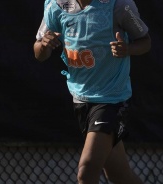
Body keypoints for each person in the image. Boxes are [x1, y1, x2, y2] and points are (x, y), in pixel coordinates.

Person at [33, 0, 151, 183]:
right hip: (80, 100)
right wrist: (44, 45)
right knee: (119, 175)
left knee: (86, 170)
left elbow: (145, 42)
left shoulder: (120, 5)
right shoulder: (56, 5)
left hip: (111, 100)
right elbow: (39, 53)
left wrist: (127, 49)